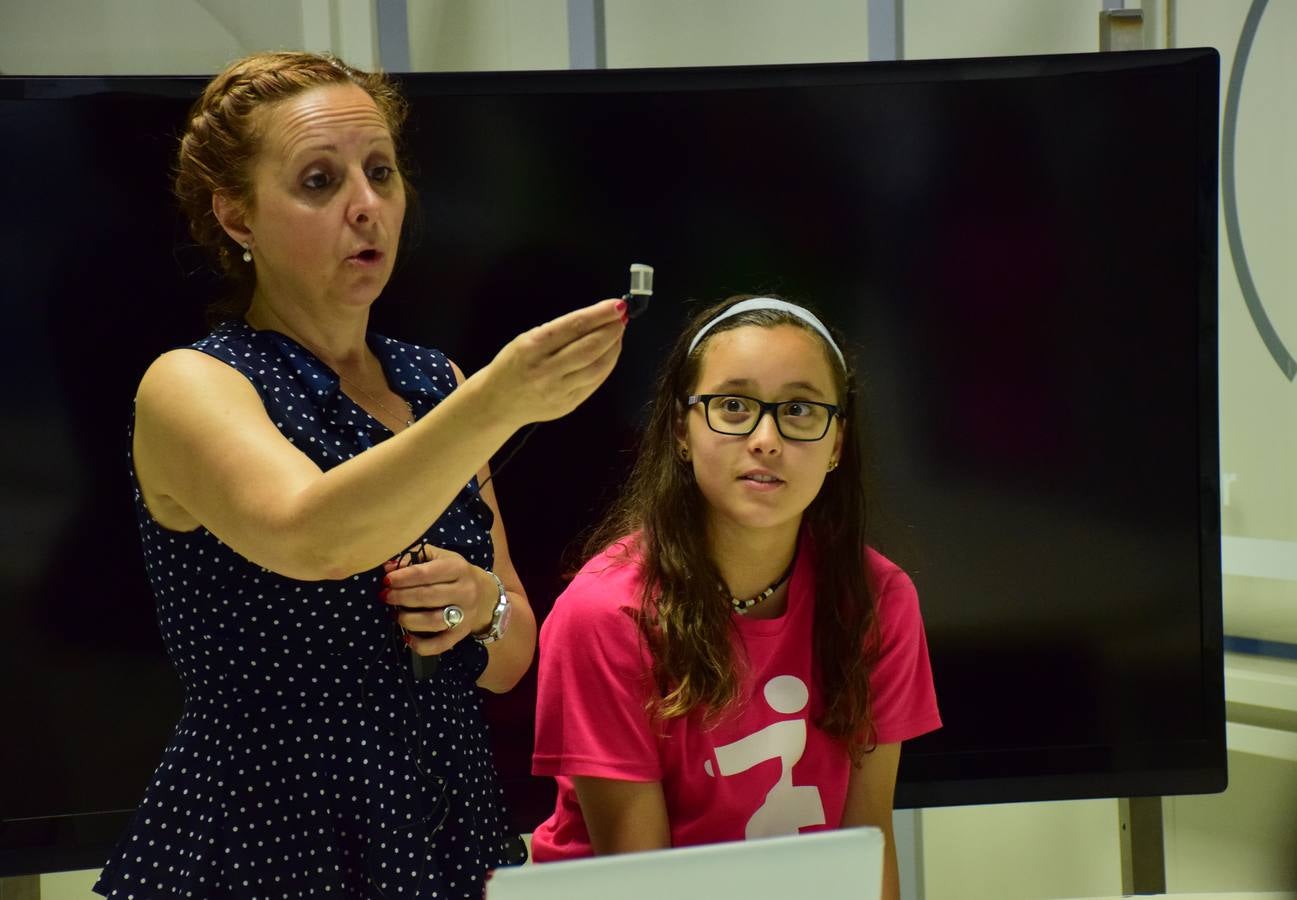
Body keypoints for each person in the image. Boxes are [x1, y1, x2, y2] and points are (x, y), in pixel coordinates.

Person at [93, 51, 626, 899]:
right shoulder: (192, 383)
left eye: (381, 173)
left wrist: (478, 604)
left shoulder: (433, 382)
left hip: (438, 823)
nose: (366, 206)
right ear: (238, 218)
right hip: (261, 838)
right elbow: (312, 534)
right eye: (318, 181)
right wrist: (498, 402)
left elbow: (512, 650)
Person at [530, 296, 941, 899]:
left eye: (799, 409)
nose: (766, 439)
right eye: (732, 406)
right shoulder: (602, 614)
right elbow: (642, 886)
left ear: (836, 445)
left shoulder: (879, 598)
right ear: (680, 430)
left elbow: (867, 842)